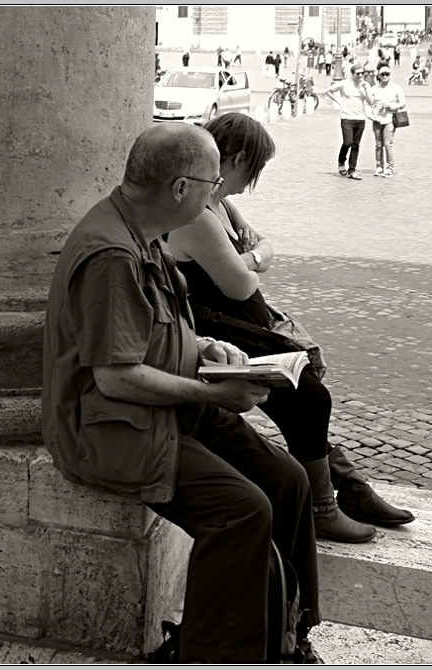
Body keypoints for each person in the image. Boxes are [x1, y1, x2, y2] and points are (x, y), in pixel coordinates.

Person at [42, 123, 321, 663]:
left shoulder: (139, 230)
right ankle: (212, 655)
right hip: (111, 426)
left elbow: (154, 329)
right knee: (242, 509)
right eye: (212, 184)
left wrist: (206, 346)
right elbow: (115, 377)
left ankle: (286, 632)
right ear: (179, 188)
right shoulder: (112, 255)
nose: (217, 194)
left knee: (288, 481)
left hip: (161, 408)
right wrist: (212, 394)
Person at [165, 113, 414, 542]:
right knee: (309, 400)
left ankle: (347, 490)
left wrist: (251, 255)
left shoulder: (219, 203)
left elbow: (262, 246)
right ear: (239, 159)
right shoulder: (198, 214)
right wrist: (253, 257)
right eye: (256, 168)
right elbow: (242, 283)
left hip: (245, 326)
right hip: (227, 333)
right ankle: (326, 504)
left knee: (304, 403)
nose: (253, 180)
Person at [323, 63, 373, 179]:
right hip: (347, 118)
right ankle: (341, 162)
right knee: (347, 143)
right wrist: (338, 101)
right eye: (358, 73)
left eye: (362, 73)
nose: (360, 75)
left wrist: (367, 89)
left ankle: (352, 170)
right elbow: (328, 91)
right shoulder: (344, 84)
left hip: (360, 119)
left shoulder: (366, 85)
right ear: (352, 74)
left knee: (356, 145)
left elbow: (371, 102)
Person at [368, 66, 406, 177]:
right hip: (377, 120)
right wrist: (371, 116)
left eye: (387, 74)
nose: (385, 76)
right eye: (383, 74)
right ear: (379, 75)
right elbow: (368, 104)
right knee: (378, 144)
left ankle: (390, 168)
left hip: (390, 119)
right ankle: (379, 166)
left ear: (390, 75)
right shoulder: (374, 89)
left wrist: (392, 106)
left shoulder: (396, 88)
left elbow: (402, 103)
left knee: (388, 144)